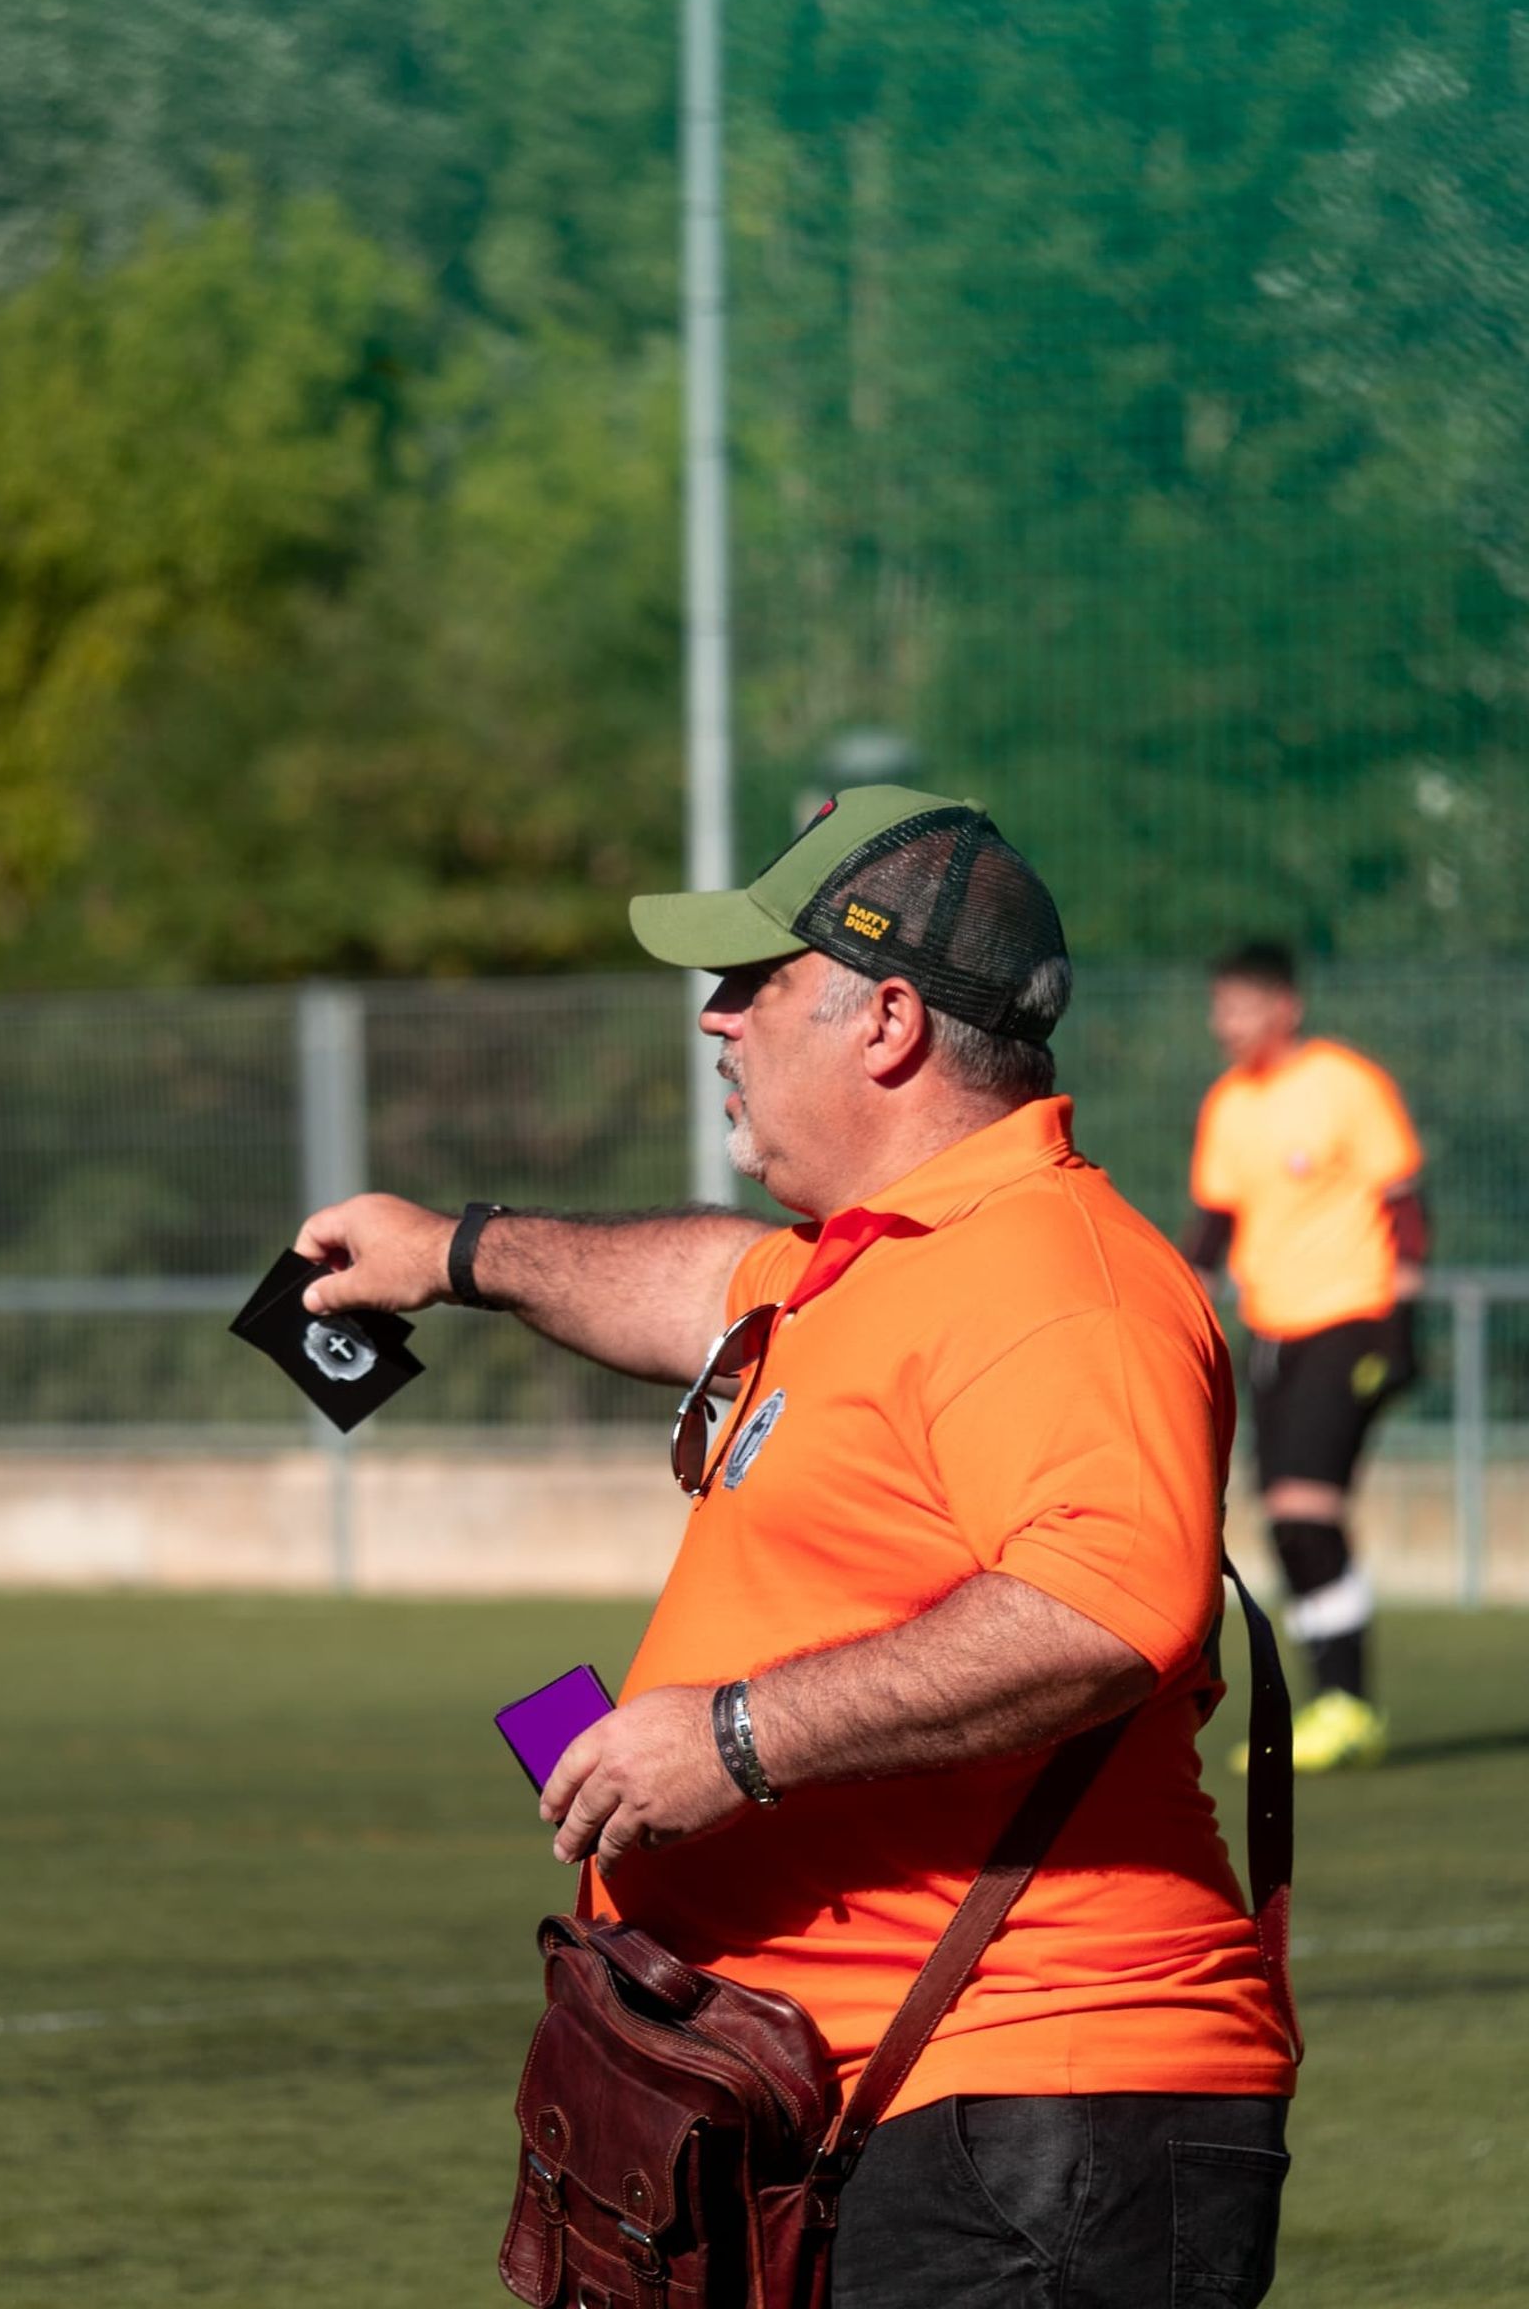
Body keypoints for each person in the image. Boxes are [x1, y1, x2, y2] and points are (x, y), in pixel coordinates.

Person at [297, 787, 1297, 2308]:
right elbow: (693, 1282)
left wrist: (736, 1737)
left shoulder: (1057, 1277)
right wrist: (451, 1250)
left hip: (1041, 2115)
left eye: (751, 985)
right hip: (892, 2106)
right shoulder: (869, 1264)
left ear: (887, 1019)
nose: (715, 1025)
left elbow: (1109, 1606)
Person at [1184, 940, 1426, 1775]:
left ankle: (1346, 1703)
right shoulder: (1227, 1104)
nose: (1224, 1023)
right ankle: (1342, 1703)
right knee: (1291, 1529)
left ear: (1283, 1005)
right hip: (1273, 1333)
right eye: (1218, 1007)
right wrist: (1176, 1303)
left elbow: (1403, 1205)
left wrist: (1400, 1329)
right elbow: (1213, 1227)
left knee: (1303, 1511)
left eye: (1238, 1006)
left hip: (1349, 1321)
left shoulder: (1345, 1084)